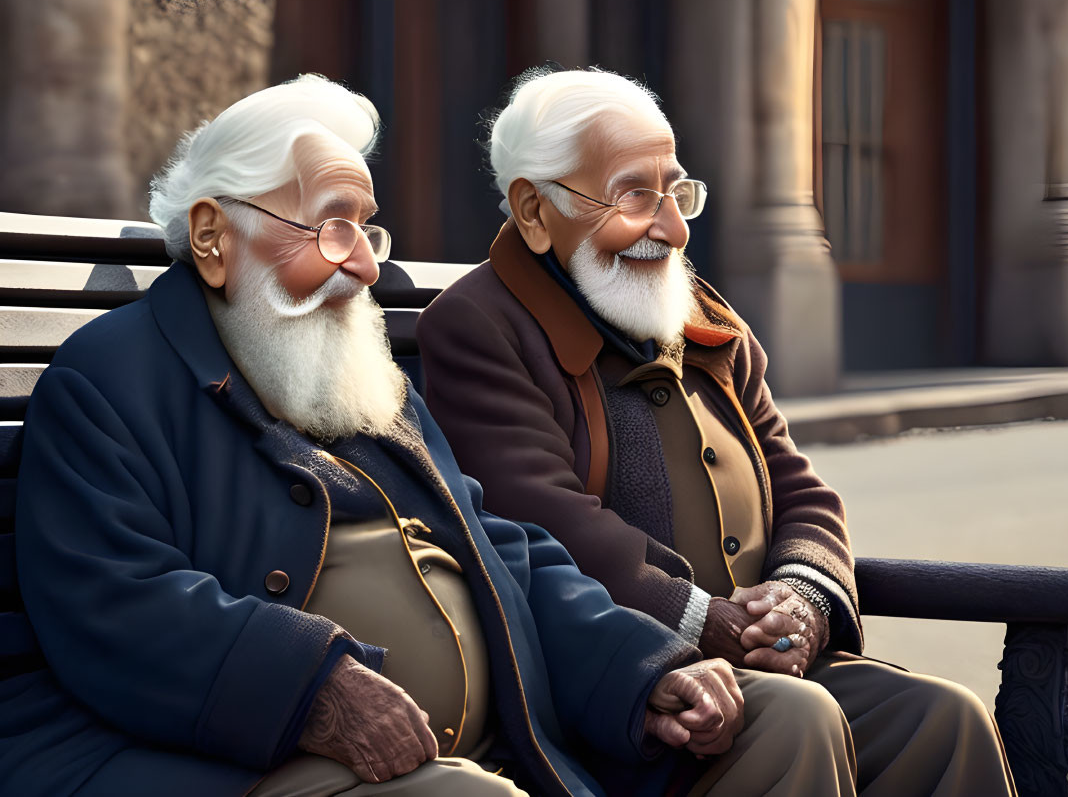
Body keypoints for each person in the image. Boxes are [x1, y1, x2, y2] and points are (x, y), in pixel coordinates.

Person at [3, 75, 750, 797]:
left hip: (484, 755)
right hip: (231, 761)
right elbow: (116, 600)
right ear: (212, 236)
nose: (363, 265)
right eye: (333, 227)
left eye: (367, 228)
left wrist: (643, 667)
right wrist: (311, 687)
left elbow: (496, 550)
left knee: (784, 724)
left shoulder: (349, 375)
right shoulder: (107, 379)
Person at [417, 65, 1018, 795]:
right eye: (634, 195)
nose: (670, 227)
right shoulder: (479, 325)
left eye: (676, 191)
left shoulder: (694, 306)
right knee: (798, 718)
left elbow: (796, 484)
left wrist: (800, 599)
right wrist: (706, 621)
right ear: (535, 211)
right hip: (624, 686)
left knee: (942, 719)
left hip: (763, 665)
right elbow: (536, 519)